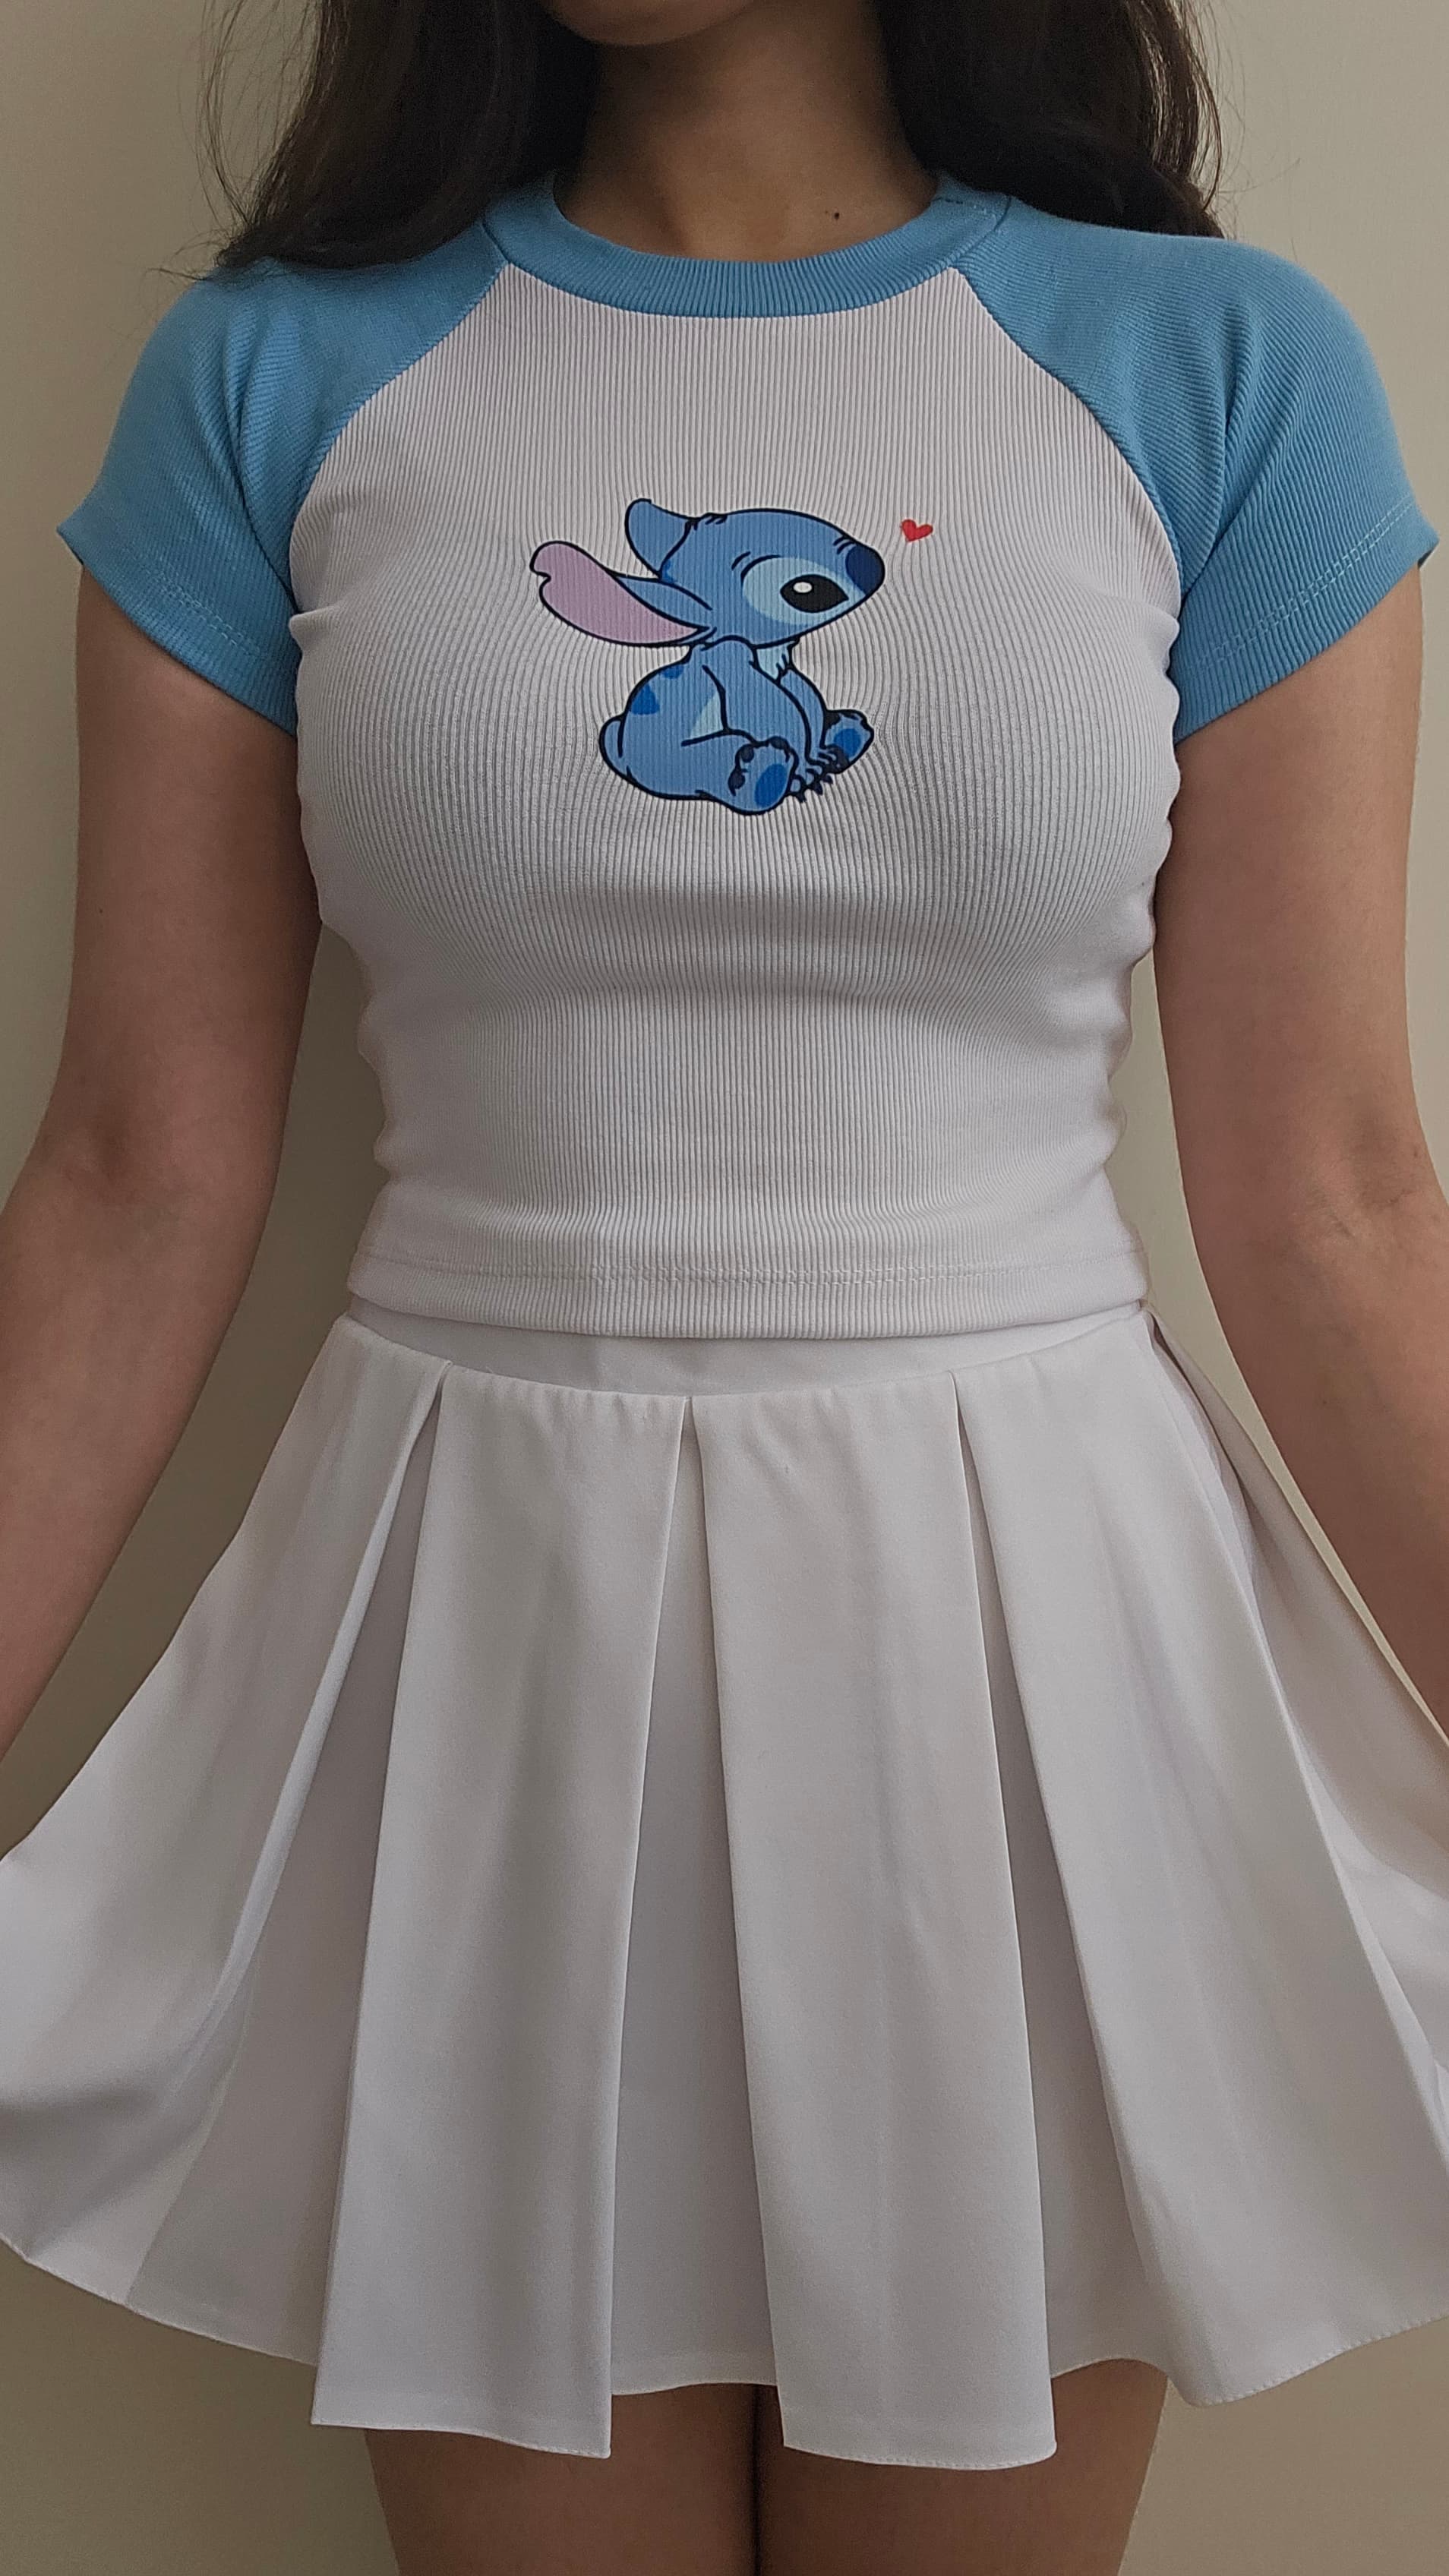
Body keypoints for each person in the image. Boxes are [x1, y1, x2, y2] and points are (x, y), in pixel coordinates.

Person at [2, 0, 1447, 2568]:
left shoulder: (1213, 366)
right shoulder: (279, 376)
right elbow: (130, 1181)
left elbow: (1332, 1194)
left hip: (1027, 1656)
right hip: (477, 1641)